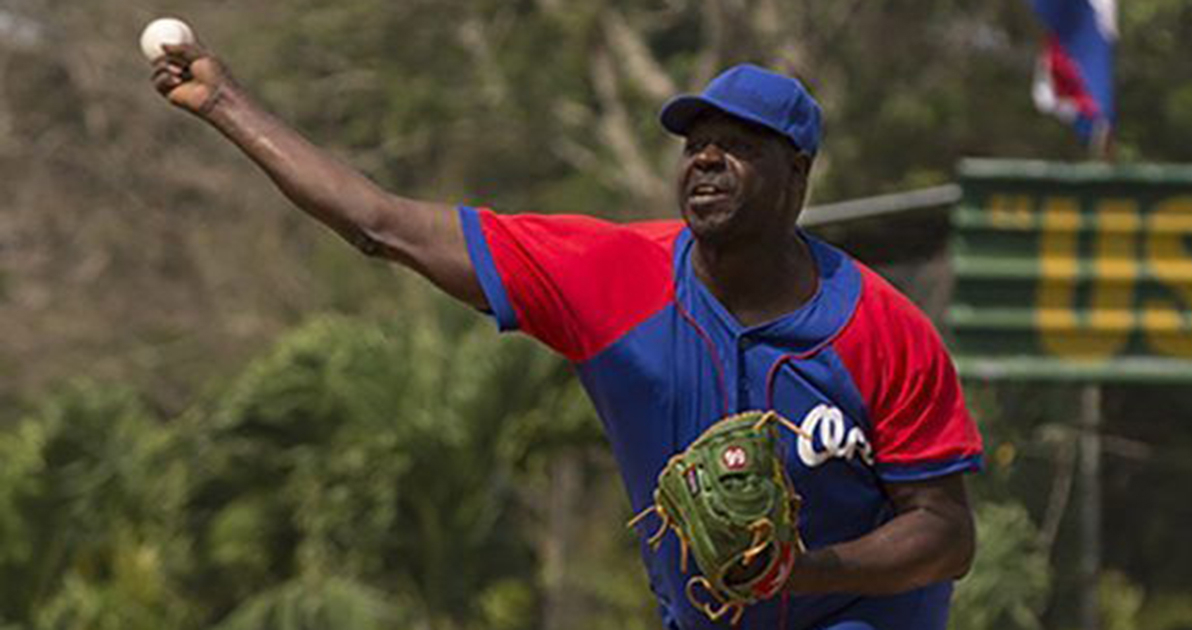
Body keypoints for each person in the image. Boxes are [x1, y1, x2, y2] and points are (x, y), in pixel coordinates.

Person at [152, 42, 982, 630]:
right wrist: (224, 103)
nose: (706, 161)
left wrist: (805, 570)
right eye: (696, 146)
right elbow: (383, 225)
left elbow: (946, 534)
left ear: (797, 174)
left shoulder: (880, 327)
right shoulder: (611, 276)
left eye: (739, 147)